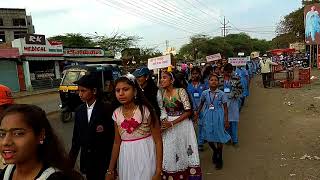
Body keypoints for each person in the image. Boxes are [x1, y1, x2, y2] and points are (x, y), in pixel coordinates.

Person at [0, 104, 81, 180]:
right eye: (2, 134)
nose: (5, 142)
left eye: (18, 133)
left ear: (40, 135)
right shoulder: (7, 172)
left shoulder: (55, 177)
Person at [105, 74, 162, 180]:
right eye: (117, 90)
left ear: (135, 91)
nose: (121, 93)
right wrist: (110, 170)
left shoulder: (146, 111)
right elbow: (117, 142)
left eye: (125, 89)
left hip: (146, 154)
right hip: (126, 158)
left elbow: (158, 141)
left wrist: (159, 171)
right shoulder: (116, 114)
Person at [69, 74, 115, 180]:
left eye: (83, 91)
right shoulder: (79, 110)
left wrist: (112, 167)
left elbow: (112, 140)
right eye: (79, 91)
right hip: (87, 162)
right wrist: (70, 163)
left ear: (94, 91)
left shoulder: (107, 109)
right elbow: (76, 139)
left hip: (104, 163)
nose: (79, 94)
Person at [160, 71, 201, 179]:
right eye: (161, 78)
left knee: (183, 149)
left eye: (164, 77)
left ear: (172, 80)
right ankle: (172, 174)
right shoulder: (162, 93)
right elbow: (163, 109)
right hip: (168, 125)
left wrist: (172, 122)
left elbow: (188, 111)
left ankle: (186, 174)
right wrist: (164, 120)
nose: (161, 80)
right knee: (170, 150)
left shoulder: (181, 91)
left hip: (182, 125)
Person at [195, 73, 230, 169]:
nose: (213, 81)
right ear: (208, 82)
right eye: (211, 80)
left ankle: (220, 158)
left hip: (218, 116)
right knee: (209, 136)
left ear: (218, 82)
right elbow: (201, 104)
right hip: (207, 116)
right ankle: (215, 151)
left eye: (215, 80)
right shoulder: (205, 93)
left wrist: (226, 120)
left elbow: (226, 108)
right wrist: (197, 114)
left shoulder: (222, 94)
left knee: (219, 136)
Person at [221, 63, 243, 147]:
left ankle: (235, 140)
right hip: (223, 102)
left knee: (233, 121)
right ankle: (228, 138)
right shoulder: (220, 79)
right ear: (224, 71)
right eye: (227, 72)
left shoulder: (236, 78)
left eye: (230, 72)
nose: (229, 74)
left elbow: (241, 90)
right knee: (225, 121)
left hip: (233, 102)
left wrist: (233, 94)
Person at [187, 67, 207, 151]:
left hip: (202, 108)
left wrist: (199, 109)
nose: (195, 75)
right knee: (193, 126)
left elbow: (206, 97)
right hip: (192, 109)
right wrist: (193, 110)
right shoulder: (189, 85)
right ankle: (193, 142)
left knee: (201, 125)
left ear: (200, 74)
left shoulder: (204, 84)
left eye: (196, 73)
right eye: (193, 74)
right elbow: (188, 98)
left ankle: (200, 143)